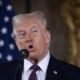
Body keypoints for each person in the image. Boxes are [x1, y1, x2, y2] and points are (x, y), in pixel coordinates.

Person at [0, 11, 80, 80]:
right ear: (16, 42)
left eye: (34, 31)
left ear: (47, 37)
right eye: (22, 34)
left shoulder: (73, 75)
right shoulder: (2, 73)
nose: (28, 38)